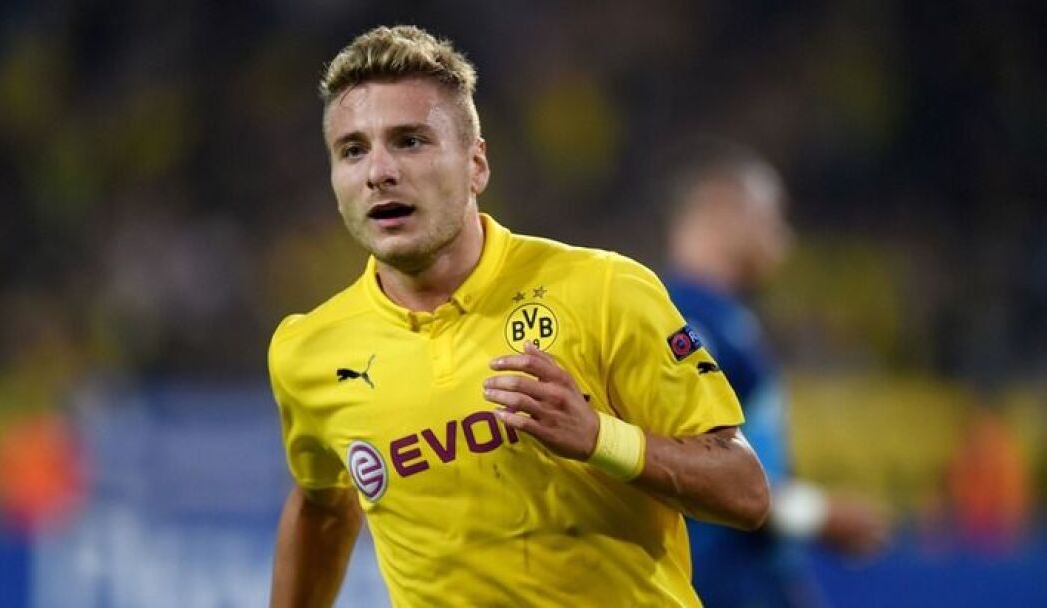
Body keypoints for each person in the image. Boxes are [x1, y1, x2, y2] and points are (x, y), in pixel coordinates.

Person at [267, 26, 769, 608]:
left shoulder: (603, 290)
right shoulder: (309, 353)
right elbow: (323, 505)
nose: (379, 171)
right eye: (353, 150)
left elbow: (746, 492)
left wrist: (600, 437)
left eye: (410, 141)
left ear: (476, 165)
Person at [661, 143, 891, 607]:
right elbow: (703, 465)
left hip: (752, 581)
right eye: (771, 216)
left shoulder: (725, 319)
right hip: (714, 584)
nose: (784, 236)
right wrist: (820, 516)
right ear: (724, 213)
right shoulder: (682, 318)